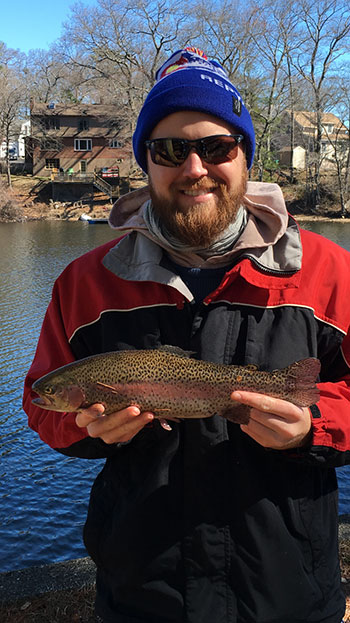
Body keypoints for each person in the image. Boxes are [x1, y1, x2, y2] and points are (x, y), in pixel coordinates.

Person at [23, 47, 350, 623]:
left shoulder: (329, 272)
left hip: (289, 597)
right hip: (139, 596)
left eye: (216, 146)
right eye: (170, 149)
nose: (194, 167)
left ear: (245, 155)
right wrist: (88, 428)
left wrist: (312, 426)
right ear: (146, 162)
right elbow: (42, 404)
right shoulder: (83, 283)